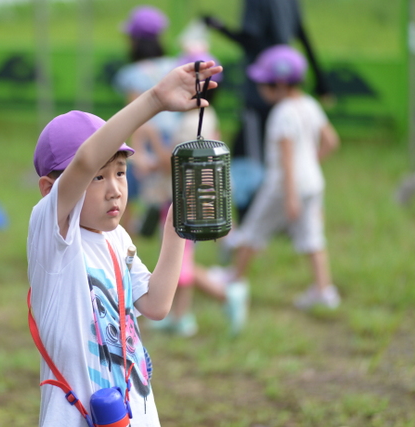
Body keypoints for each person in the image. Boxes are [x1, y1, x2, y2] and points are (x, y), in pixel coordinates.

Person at [27, 62, 222, 426]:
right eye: (98, 178)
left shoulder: (117, 238)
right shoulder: (53, 236)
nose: (115, 189)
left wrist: (175, 227)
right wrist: (155, 100)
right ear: (50, 190)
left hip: (134, 413)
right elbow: (85, 159)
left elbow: (156, 304)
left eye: (120, 172)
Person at [228, 45, 340, 310]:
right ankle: (324, 290)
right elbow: (331, 141)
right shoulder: (310, 104)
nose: (260, 88)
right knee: (313, 238)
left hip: (282, 187)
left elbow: (287, 160)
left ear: (279, 84)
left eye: (264, 83)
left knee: (252, 231)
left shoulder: (281, 114)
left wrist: (290, 196)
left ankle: (233, 280)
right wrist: (311, 163)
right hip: (312, 183)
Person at [149, 50, 249, 337]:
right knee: (180, 260)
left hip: (183, 203)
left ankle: (226, 294)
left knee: (179, 262)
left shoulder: (193, 122)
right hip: (188, 201)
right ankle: (181, 315)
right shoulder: (205, 116)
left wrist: (151, 142)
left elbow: (175, 162)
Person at [203, 0, 332, 219]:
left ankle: (251, 217)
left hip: (260, 96)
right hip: (283, 86)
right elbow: (303, 35)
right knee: (275, 154)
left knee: (251, 159)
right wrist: (321, 81)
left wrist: (218, 26)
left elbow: (251, 40)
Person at [113, 5, 181, 236]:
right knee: (173, 190)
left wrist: (137, 151)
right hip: (175, 138)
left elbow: (134, 115)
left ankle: (123, 233)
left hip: (148, 138)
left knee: (127, 189)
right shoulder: (174, 66)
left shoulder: (133, 73)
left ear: (134, 40)